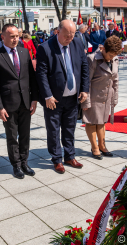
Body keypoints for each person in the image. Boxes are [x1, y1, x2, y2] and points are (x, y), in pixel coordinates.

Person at [36, 20, 89, 174]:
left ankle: (69, 156)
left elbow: (84, 66)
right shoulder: (45, 48)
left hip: (73, 97)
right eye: (66, 36)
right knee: (53, 130)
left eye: (72, 35)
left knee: (70, 128)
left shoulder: (77, 43)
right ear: (57, 32)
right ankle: (57, 159)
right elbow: (41, 74)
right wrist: (47, 95)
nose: (69, 39)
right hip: (54, 99)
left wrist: (85, 89)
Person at [0, 24, 39, 179]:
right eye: (12, 36)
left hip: (25, 101)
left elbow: (32, 78)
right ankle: (16, 165)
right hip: (8, 104)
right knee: (12, 135)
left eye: (17, 36)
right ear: (3, 37)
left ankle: (24, 162)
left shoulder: (24, 52)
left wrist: (34, 98)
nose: (15, 39)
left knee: (25, 135)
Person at [82, 36, 121, 160]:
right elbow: (86, 81)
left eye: (114, 55)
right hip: (93, 96)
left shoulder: (115, 59)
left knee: (102, 122)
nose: (111, 58)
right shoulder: (92, 59)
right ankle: (95, 148)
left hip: (106, 96)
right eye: (110, 55)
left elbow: (115, 80)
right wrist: (86, 101)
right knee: (92, 122)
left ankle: (102, 146)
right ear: (103, 49)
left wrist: (115, 97)